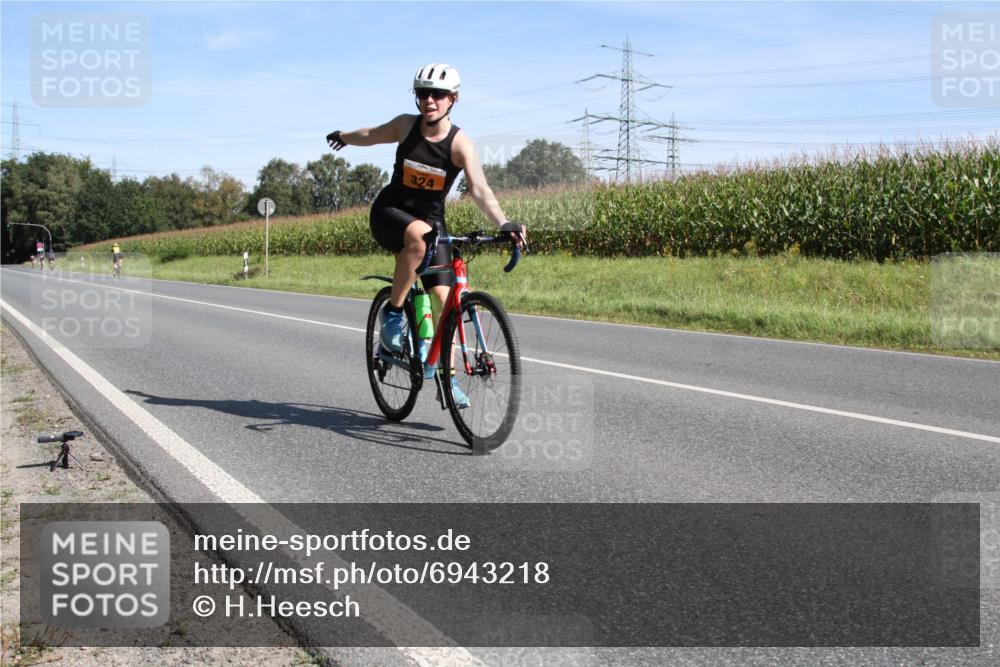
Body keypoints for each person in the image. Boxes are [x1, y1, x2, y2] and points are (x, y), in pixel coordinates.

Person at [327, 63, 526, 408]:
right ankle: (393, 312)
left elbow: (480, 189)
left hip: (433, 223)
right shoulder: (407, 126)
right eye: (422, 93)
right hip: (390, 214)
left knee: (444, 302)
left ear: (453, 99)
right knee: (419, 238)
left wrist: (503, 222)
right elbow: (372, 134)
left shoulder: (460, 143)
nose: (429, 100)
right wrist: (343, 136)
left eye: (437, 94)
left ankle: (447, 381)